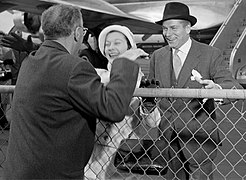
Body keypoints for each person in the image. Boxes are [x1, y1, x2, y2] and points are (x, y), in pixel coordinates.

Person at [3, 4, 148, 179]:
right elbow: (113, 108)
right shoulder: (75, 67)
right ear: (78, 32)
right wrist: (123, 63)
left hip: (22, 171)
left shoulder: (32, 61)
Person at [145, 2, 243, 180]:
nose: (167, 34)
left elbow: (232, 84)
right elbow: (153, 90)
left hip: (199, 139)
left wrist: (217, 90)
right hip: (168, 139)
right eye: (164, 29)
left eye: (173, 28)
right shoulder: (157, 57)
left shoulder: (210, 54)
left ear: (188, 28)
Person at [84, 25, 145, 180]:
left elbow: (153, 122)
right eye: (107, 44)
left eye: (117, 43)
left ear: (130, 46)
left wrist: (149, 104)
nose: (111, 48)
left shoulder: (141, 80)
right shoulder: (98, 75)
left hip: (124, 153)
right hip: (96, 153)